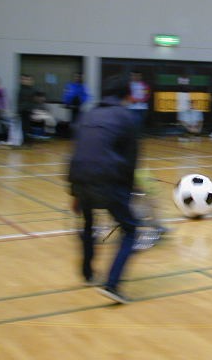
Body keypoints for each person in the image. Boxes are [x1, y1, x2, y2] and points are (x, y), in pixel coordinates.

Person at [68, 74, 140, 304]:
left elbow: (76, 151)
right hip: (106, 180)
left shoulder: (88, 113)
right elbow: (131, 161)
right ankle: (112, 285)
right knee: (130, 230)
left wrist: (74, 192)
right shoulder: (126, 117)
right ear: (127, 95)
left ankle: (88, 274)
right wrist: (127, 195)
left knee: (88, 223)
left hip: (80, 178)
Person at [17, 74, 35, 146]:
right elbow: (19, 101)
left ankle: (28, 141)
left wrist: (32, 109)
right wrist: (19, 110)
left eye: (27, 80)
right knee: (24, 126)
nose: (25, 81)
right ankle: (25, 141)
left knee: (28, 126)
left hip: (29, 110)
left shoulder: (31, 90)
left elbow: (32, 101)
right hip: (23, 110)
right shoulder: (21, 89)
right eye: (24, 79)